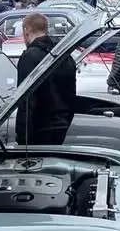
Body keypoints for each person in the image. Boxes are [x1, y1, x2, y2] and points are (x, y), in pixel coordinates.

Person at [15, 13, 76, 145]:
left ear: (26, 30)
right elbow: (71, 92)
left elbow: (25, 98)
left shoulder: (29, 57)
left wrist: (22, 135)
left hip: (39, 127)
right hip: (62, 124)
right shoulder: (63, 54)